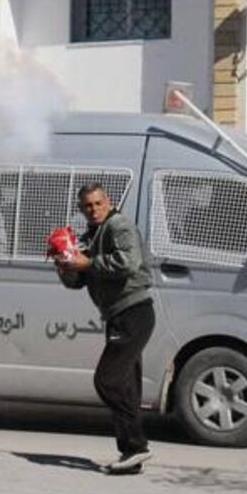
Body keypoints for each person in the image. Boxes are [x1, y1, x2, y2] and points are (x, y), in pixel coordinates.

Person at [56, 183, 155, 475]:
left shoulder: (119, 225)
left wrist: (88, 262)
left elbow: (128, 262)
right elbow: (79, 281)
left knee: (107, 381)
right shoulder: (92, 234)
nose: (94, 209)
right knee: (126, 385)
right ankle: (131, 456)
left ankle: (137, 446)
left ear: (108, 201)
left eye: (98, 203)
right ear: (81, 209)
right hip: (118, 315)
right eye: (88, 206)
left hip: (132, 312)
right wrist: (65, 266)